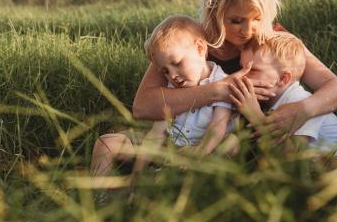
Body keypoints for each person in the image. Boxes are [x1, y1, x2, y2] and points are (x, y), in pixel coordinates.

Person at [132, 0, 337, 143]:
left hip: (260, 145)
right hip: (192, 140)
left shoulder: (275, 41)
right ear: (214, 11)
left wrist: (304, 109)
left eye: (257, 19)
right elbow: (143, 107)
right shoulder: (190, 42)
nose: (247, 30)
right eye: (236, 20)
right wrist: (219, 91)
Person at [90, 15, 238, 177]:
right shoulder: (172, 87)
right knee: (106, 143)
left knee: (231, 143)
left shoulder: (222, 81)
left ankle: (179, 180)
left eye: (176, 63)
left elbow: (217, 127)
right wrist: (137, 175)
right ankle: (100, 196)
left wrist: (200, 152)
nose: (172, 75)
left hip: (204, 148)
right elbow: (157, 134)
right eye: (165, 71)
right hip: (170, 148)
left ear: (200, 48)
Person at [229, 32, 337, 158]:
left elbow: (291, 158)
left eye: (252, 70)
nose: (241, 76)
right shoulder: (277, 101)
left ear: (283, 79)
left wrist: (255, 115)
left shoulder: (299, 101)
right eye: (241, 68)